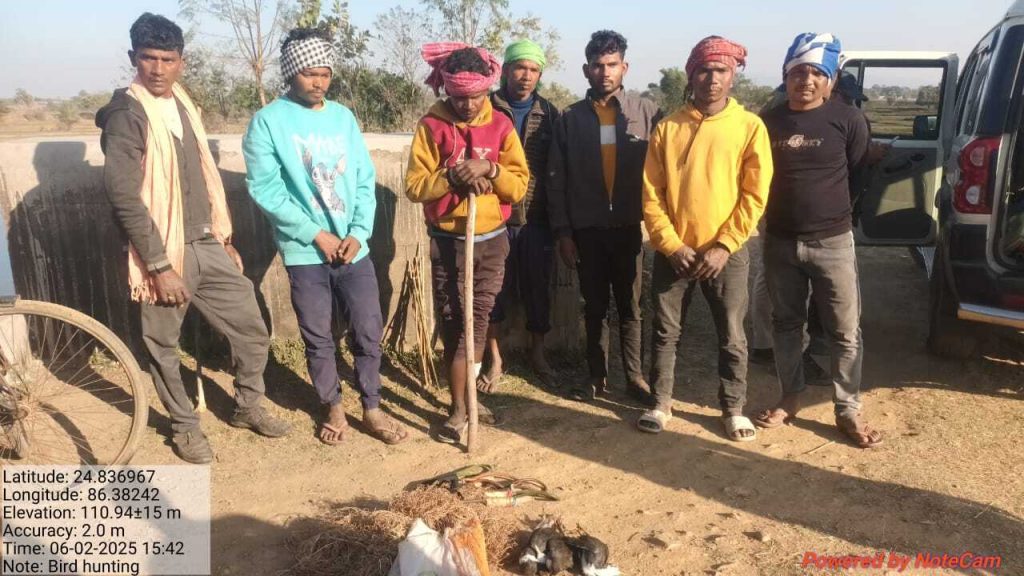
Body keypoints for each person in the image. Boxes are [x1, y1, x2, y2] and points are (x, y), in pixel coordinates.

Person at [96, 13, 290, 464]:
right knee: (163, 347)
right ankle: (184, 427)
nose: (158, 69)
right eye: (149, 58)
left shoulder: (183, 104)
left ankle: (247, 406)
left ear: (181, 61)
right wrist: (159, 267)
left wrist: (223, 237)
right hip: (163, 250)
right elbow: (124, 197)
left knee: (251, 328)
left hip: (206, 241)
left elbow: (201, 180)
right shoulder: (126, 115)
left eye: (168, 59)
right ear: (133, 58)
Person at [243, 27, 408, 447]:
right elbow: (267, 190)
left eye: (325, 74)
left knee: (368, 329)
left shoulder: (343, 118)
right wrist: (315, 234)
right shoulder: (267, 122)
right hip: (305, 252)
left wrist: (358, 233)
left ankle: (372, 406)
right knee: (318, 335)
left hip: (353, 249)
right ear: (291, 73)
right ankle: (333, 406)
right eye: (309, 74)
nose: (319, 83)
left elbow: (364, 180)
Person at [754, 33, 883, 448]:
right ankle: (790, 396)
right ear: (785, 76)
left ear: (831, 80)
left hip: (832, 242)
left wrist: (831, 214)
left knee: (844, 329)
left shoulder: (849, 119)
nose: (805, 80)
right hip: (780, 241)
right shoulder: (768, 122)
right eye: (797, 72)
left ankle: (847, 409)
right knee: (786, 324)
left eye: (816, 73)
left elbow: (858, 174)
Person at [639, 36, 772, 440]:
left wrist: (725, 245)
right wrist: (670, 244)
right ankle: (660, 404)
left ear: (733, 77)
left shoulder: (749, 127)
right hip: (675, 252)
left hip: (725, 254)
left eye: (721, 71)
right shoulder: (668, 128)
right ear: (691, 75)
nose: (712, 79)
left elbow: (754, 195)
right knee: (665, 331)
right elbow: (652, 193)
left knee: (732, 334)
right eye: (704, 70)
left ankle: (733, 409)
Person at [405, 42, 529, 445]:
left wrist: (491, 169)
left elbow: (519, 186)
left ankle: (464, 406)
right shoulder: (431, 126)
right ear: (446, 90)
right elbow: (415, 186)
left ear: (486, 89)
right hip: (448, 242)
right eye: (459, 98)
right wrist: (452, 176)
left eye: (476, 96)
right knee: (455, 322)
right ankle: (460, 406)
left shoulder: (502, 125)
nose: (469, 105)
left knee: (476, 322)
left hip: (491, 241)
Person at [547, 30, 661, 403]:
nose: (605, 72)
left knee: (630, 307)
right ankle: (595, 376)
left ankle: (635, 378)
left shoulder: (646, 113)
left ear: (625, 67)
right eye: (598, 65)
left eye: (612, 64)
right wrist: (564, 232)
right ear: (586, 70)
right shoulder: (570, 118)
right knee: (594, 307)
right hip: (587, 230)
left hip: (628, 227)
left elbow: (667, 171)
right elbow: (557, 178)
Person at [479, 39, 561, 392]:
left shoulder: (550, 114)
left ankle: (538, 353)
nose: (526, 76)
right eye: (519, 68)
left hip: (536, 218)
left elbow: (557, 168)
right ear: (506, 70)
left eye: (533, 69)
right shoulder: (485, 107)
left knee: (537, 289)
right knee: (493, 289)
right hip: (493, 215)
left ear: (540, 74)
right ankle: (495, 358)